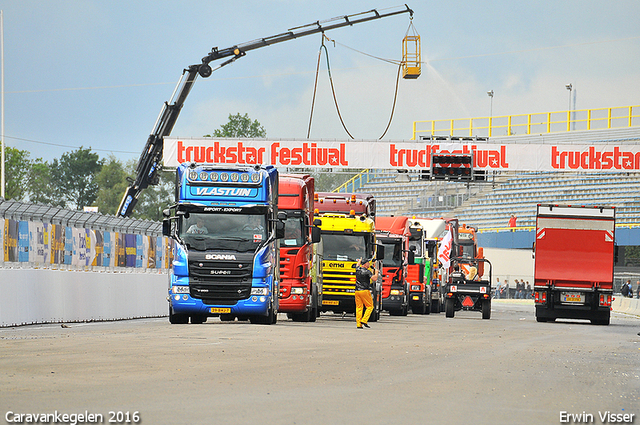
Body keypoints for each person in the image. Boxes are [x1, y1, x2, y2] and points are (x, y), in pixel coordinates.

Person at [355, 258, 379, 329]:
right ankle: (364, 320)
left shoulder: (358, 269)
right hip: (365, 290)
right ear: (365, 264)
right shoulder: (367, 272)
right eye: (368, 263)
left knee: (359, 307)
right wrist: (376, 273)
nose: (369, 264)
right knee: (370, 306)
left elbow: (357, 265)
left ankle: (358, 324)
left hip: (357, 291)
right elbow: (374, 278)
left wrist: (360, 260)